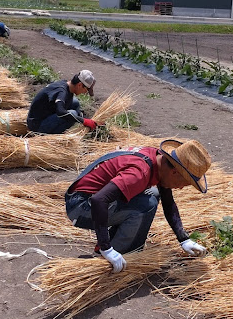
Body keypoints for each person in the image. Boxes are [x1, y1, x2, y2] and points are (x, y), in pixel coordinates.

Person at [65, 139, 211, 273]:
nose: (180, 188)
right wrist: (106, 248)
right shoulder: (139, 173)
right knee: (146, 205)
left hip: (89, 198)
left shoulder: (158, 159)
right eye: (184, 184)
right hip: (81, 207)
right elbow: (99, 200)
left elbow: (168, 201)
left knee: (153, 193)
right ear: (174, 172)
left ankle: (113, 244)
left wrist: (183, 239)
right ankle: (117, 256)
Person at [26, 70, 98, 134]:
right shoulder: (61, 91)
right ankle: (54, 134)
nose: (84, 93)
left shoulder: (67, 85)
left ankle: (75, 122)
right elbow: (61, 112)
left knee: (75, 103)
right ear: (79, 85)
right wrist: (83, 121)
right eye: (85, 90)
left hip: (46, 115)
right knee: (73, 113)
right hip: (36, 125)